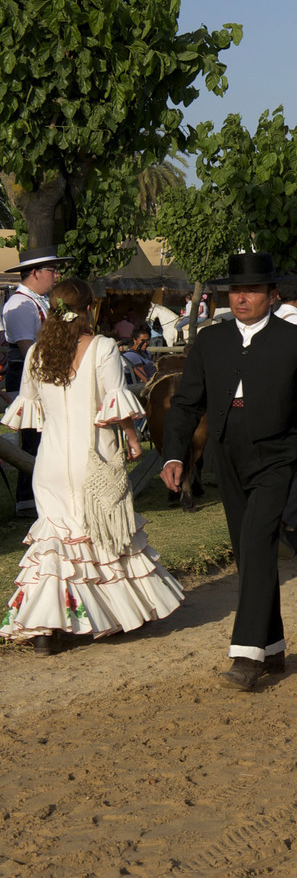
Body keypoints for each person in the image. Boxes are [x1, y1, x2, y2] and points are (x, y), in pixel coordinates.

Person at [162, 252, 297, 689]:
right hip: (227, 458)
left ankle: (246, 654)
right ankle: (273, 645)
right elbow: (186, 404)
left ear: (272, 295)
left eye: (252, 291)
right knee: (248, 552)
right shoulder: (209, 341)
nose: (242, 298)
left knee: (258, 542)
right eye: (236, 290)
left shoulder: (296, 341)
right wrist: (174, 455)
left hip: (276, 456)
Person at [1, 279, 184, 653]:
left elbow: (30, 411)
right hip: (94, 457)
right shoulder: (102, 347)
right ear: (87, 310)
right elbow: (116, 405)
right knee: (102, 536)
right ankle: (112, 615)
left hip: (50, 462)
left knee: (56, 545)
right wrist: (133, 441)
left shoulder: (36, 353)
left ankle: (44, 629)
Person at [4, 246, 67, 517]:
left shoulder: (37, 301)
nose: (56, 275)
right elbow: (29, 348)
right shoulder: (19, 304)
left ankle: (39, 498)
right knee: (31, 437)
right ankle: (27, 502)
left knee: (44, 437)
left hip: (39, 372)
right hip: (27, 374)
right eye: (52, 270)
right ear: (35, 273)